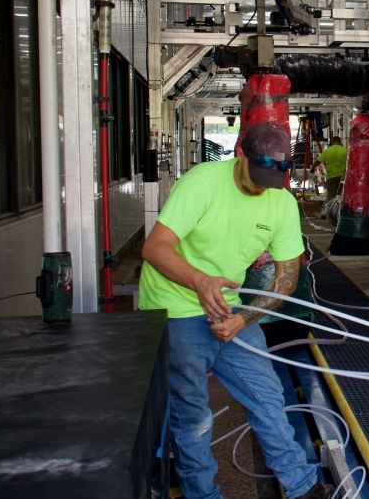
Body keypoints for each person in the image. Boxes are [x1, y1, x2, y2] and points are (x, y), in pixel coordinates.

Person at [139, 121, 333, 499]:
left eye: (271, 180)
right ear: (238, 154)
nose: (261, 187)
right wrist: (199, 281)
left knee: (268, 396)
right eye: (256, 175)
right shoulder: (202, 183)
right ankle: (203, 495)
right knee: (192, 415)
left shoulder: (281, 201)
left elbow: (287, 276)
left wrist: (244, 318)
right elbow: (155, 248)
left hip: (231, 310)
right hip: (176, 307)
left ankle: (302, 487)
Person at [316, 136, 348, 202]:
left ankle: (331, 210)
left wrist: (312, 167)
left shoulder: (327, 151)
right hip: (342, 177)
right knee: (339, 195)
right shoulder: (345, 150)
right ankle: (338, 209)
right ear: (340, 142)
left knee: (331, 196)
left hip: (331, 177)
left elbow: (318, 161)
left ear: (332, 142)